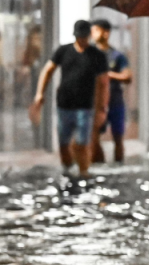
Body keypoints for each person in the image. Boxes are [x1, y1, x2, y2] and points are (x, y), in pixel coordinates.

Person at [30, 20, 108, 178]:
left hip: (85, 106)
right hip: (64, 104)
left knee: (82, 143)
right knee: (63, 143)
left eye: (85, 37)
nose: (83, 40)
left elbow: (103, 83)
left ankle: (83, 173)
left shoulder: (97, 56)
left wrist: (101, 108)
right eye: (80, 37)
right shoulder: (64, 51)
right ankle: (67, 169)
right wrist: (40, 93)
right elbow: (48, 70)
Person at [90, 19, 132, 164]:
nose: (93, 33)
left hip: (115, 101)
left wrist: (108, 75)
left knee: (118, 138)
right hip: (96, 102)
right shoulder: (90, 55)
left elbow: (127, 76)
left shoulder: (117, 56)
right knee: (93, 137)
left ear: (106, 33)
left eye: (96, 30)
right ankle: (99, 166)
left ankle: (119, 167)